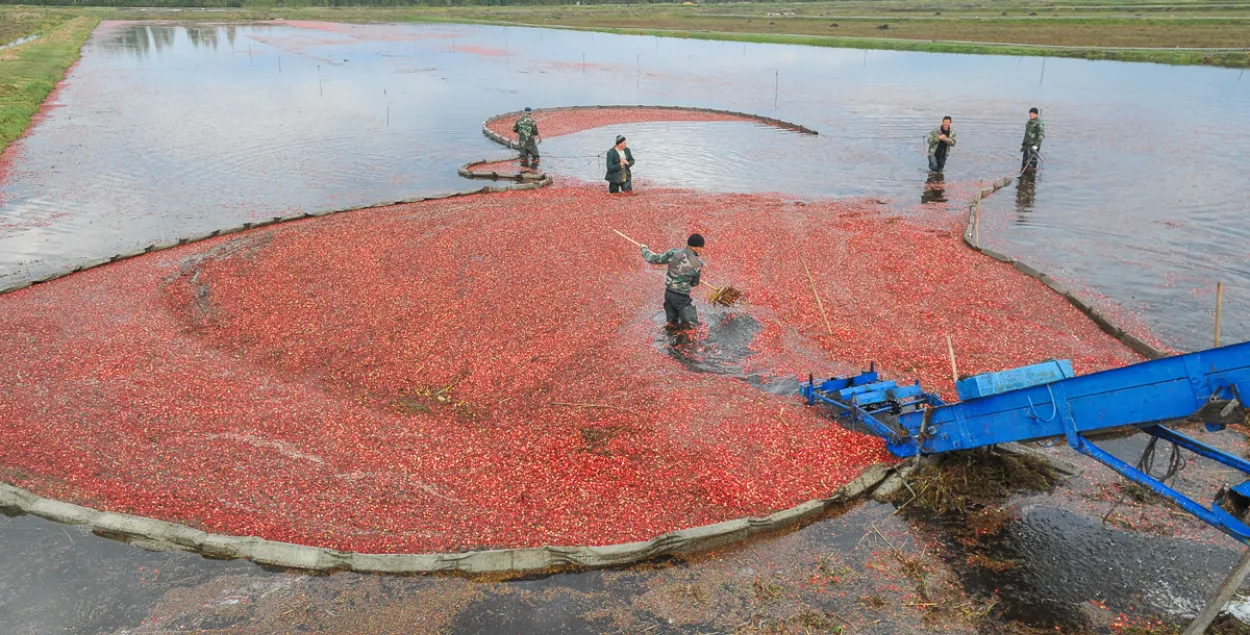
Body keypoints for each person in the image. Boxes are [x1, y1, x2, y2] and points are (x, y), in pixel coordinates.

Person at [639, 233, 705, 328]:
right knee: (692, 328)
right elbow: (695, 283)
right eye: (701, 247)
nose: (702, 250)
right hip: (681, 298)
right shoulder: (698, 263)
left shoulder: (673, 253)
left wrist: (644, 249)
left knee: (672, 326)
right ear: (697, 247)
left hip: (668, 295)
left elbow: (651, 259)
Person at [1021, 107, 1045, 172]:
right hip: (1027, 145)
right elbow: (1026, 134)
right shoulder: (1029, 122)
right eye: (1030, 113)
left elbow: (1041, 135)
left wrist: (1036, 145)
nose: (1031, 114)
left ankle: (1031, 177)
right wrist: (1023, 144)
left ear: (1036, 114)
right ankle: (1023, 178)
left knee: (1032, 162)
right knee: (1024, 161)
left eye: (1033, 113)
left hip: (1033, 146)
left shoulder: (1039, 123)